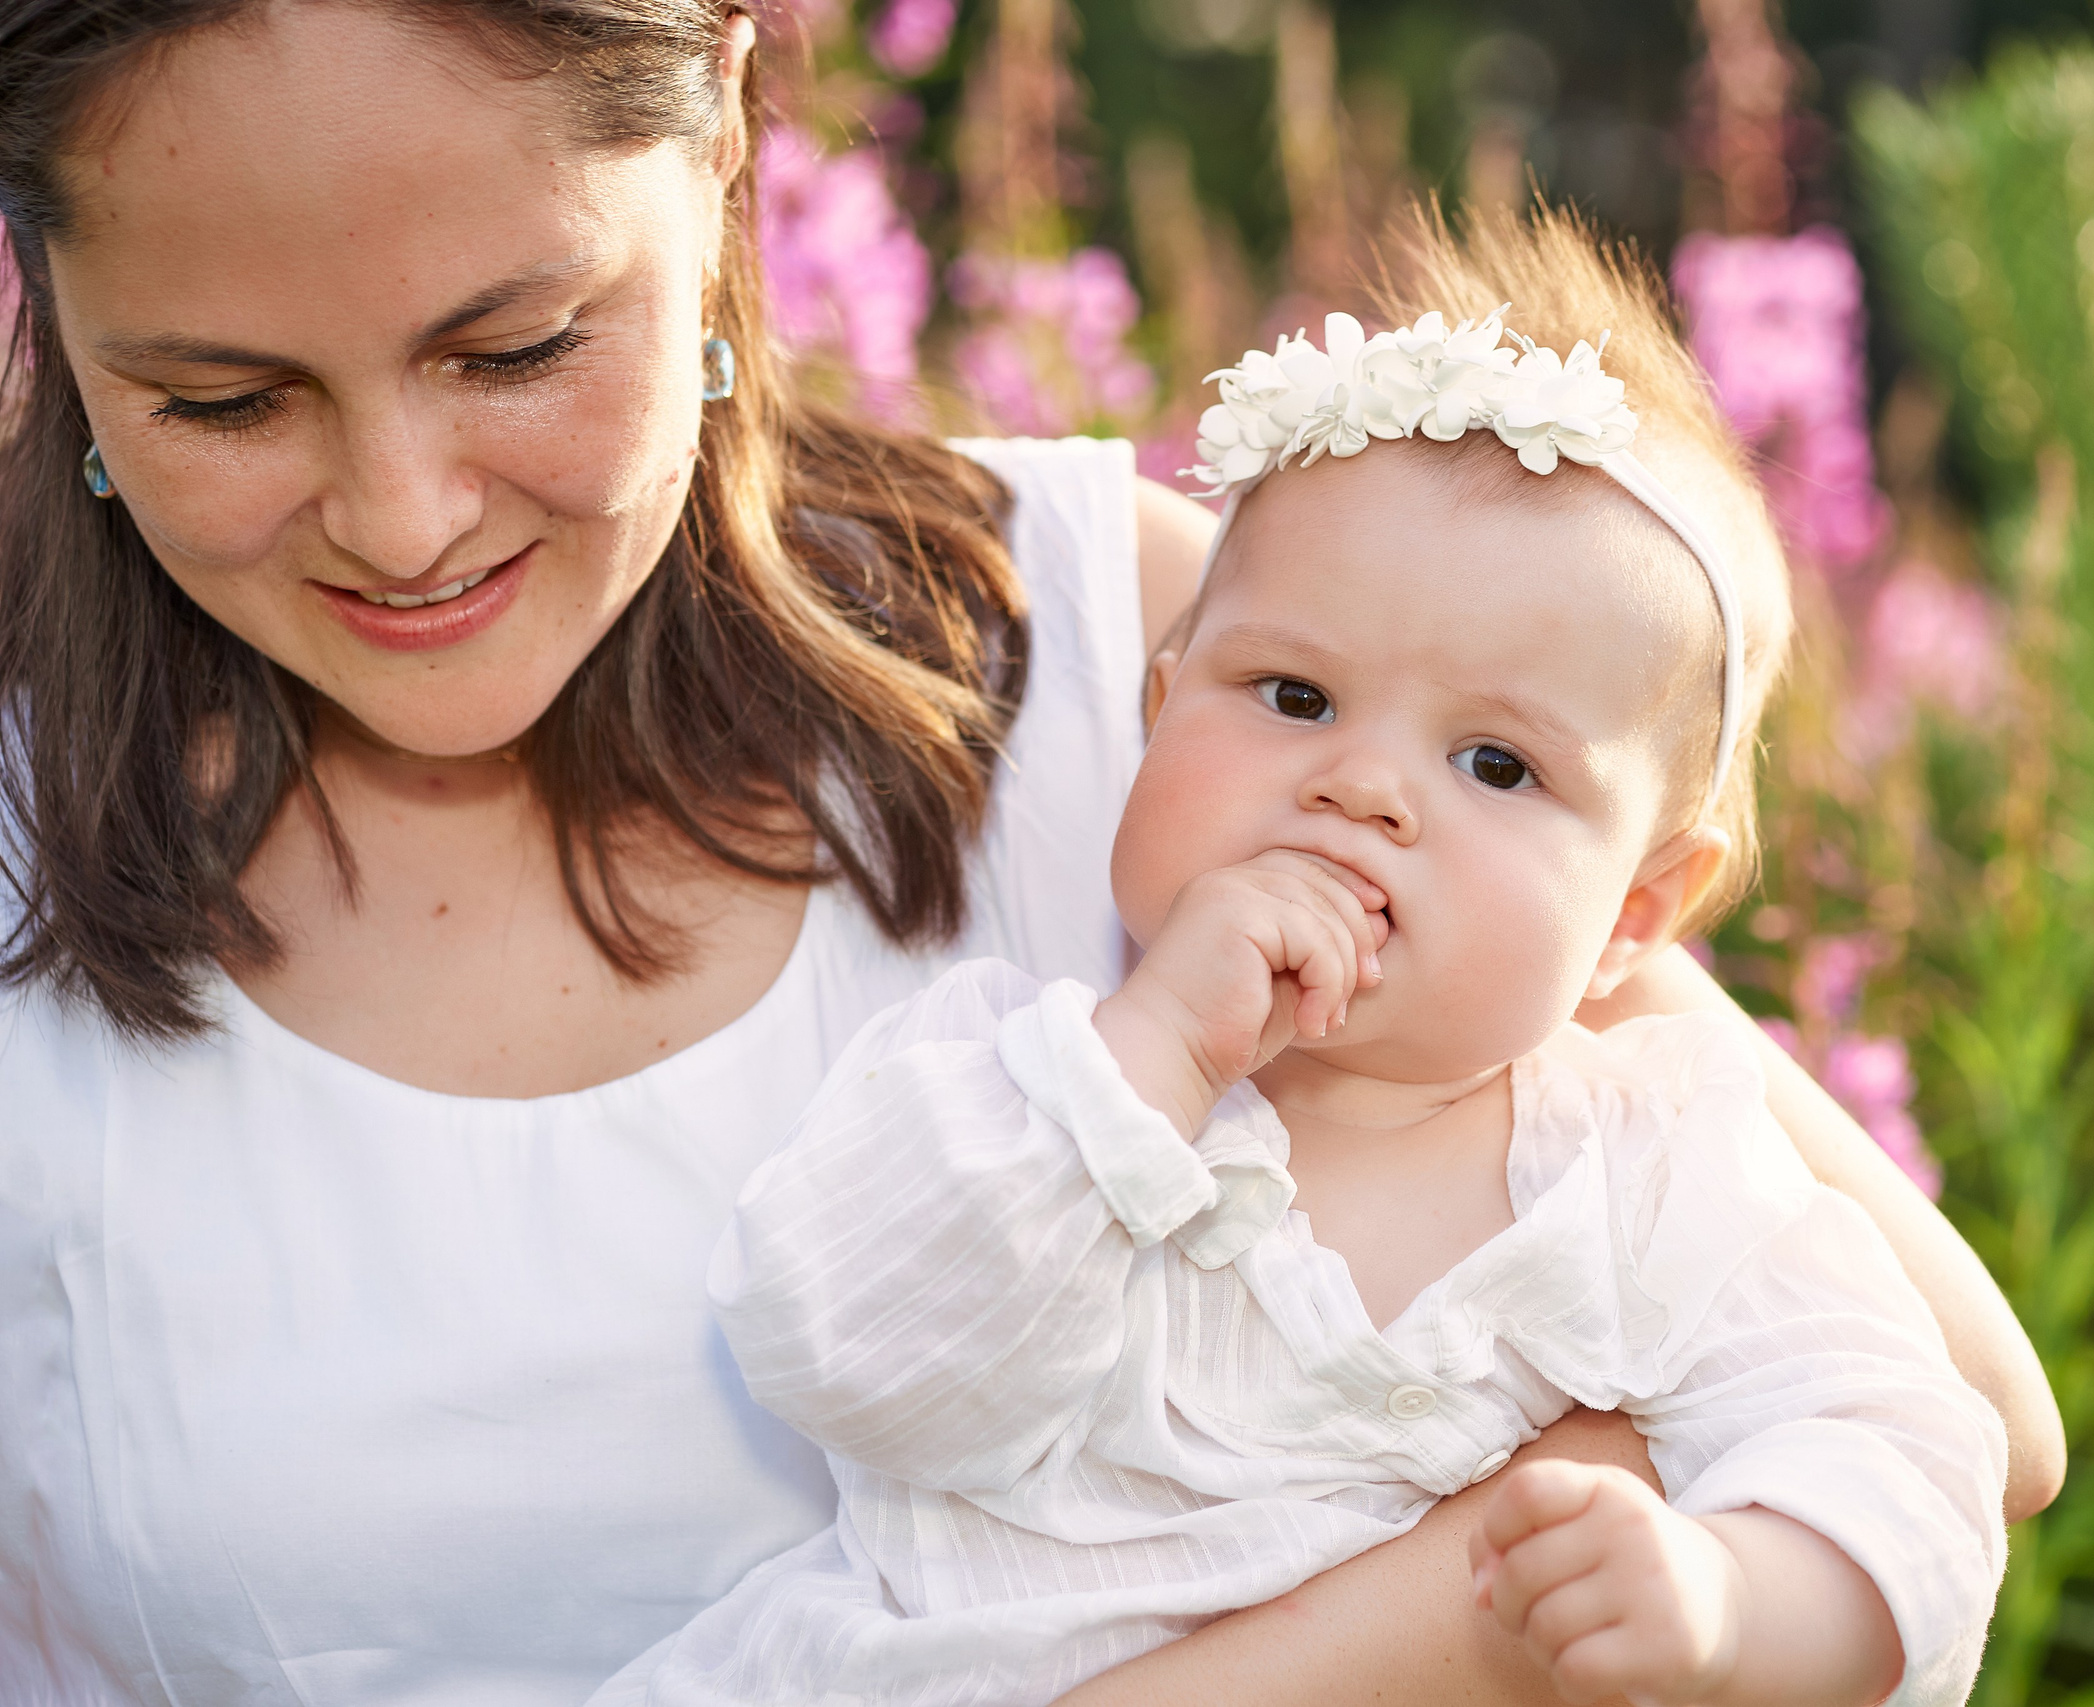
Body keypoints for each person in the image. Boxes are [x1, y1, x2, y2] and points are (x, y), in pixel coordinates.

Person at [0, 2, 2060, 1703]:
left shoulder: (1204, 645)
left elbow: (1954, 1417)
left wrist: (1610, 1593)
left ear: (729, 115)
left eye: (519, 347)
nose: (405, 512)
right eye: (222, 399)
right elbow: (865, 1333)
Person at [604, 215, 2005, 1707]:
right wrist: (1152, 1060)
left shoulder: (1663, 1176)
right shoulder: (1020, 1074)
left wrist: (1728, 1598)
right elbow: (853, 1360)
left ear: (1641, 918)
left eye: (1496, 763)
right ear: (1157, 707)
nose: (1364, 788)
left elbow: (1907, 1466)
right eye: (1292, 693)